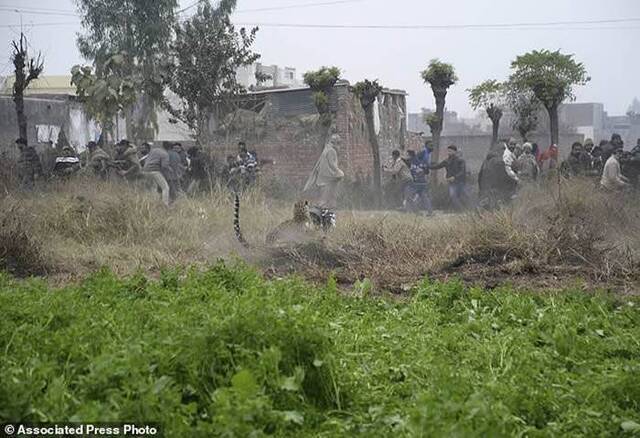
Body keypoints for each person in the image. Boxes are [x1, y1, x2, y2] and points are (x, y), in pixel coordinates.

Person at [303, 134, 344, 209]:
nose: (339, 146)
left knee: (326, 197)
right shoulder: (331, 151)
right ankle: (322, 209)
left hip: (323, 177)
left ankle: (324, 208)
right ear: (334, 142)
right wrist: (339, 172)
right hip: (328, 178)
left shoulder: (326, 149)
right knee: (326, 197)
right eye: (338, 143)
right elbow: (332, 165)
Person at [430, 145, 468, 211]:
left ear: (455, 151)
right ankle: (461, 210)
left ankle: (470, 208)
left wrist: (454, 177)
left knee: (465, 196)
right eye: (448, 151)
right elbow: (437, 166)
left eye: (450, 151)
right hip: (452, 183)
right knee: (453, 196)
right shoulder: (446, 161)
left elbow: (462, 171)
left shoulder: (460, 161)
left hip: (460, 182)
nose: (448, 152)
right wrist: (426, 166)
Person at [406, 149, 433, 214]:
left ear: (410, 155)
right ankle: (430, 211)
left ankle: (415, 211)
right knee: (424, 197)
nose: (407, 156)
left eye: (407, 154)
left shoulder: (412, 161)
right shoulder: (420, 162)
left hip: (416, 183)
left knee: (408, 195)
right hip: (423, 182)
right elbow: (427, 172)